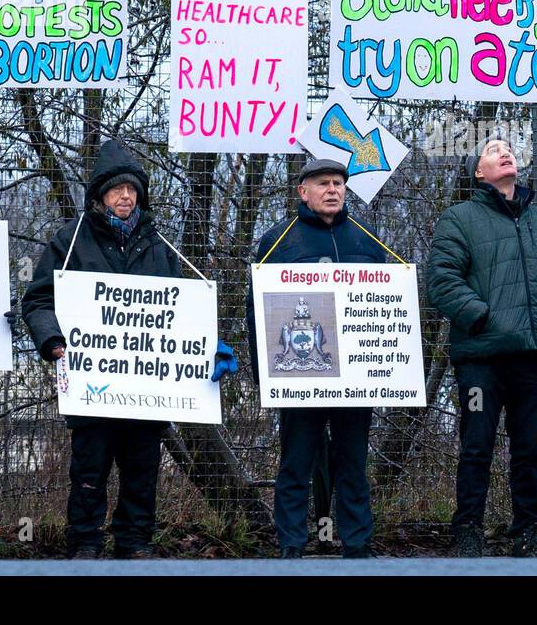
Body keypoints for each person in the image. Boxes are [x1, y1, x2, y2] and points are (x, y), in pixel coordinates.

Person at [23, 138, 232, 559]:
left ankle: (135, 542)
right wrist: (53, 342)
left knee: (142, 468)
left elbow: (180, 310)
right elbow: (38, 300)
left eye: (132, 189)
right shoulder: (71, 240)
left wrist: (210, 346)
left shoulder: (158, 245)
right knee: (89, 467)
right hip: (90, 381)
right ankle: (85, 542)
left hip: (147, 387)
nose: (125, 196)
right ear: (100, 195)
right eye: (117, 189)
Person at [426, 136, 537, 557]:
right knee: (476, 445)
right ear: (478, 172)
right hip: (481, 359)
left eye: (508, 147)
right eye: (493, 149)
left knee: (530, 450)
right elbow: (442, 281)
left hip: (536, 359)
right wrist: (482, 318)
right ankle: (468, 532)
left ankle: (527, 532)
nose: (505, 151)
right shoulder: (458, 219)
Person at [247, 158, 388, 559]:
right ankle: (291, 545)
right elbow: (256, 310)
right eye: (323, 183)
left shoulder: (366, 238)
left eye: (339, 183)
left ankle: (357, 545)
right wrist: (264, 374)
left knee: (353, 464)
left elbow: (387, 301)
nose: (333, 190)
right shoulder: (278, 240)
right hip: (297, 376)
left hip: (356, 379)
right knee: (295, 465)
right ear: (302, 192)